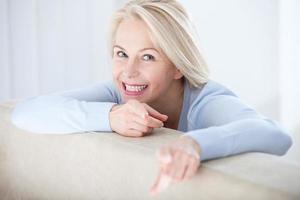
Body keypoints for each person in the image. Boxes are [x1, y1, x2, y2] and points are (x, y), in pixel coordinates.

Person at [11, 0, 292, 195]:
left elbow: (276, 134)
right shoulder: (116, 92)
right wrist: (108, 117)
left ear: (178, 65)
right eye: (121, 54)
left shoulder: (206, 99)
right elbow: (25, 113)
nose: (129, 72)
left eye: (147, 57)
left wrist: (194, 144)